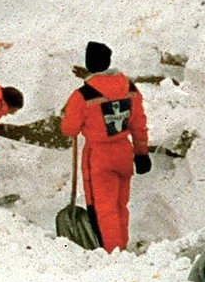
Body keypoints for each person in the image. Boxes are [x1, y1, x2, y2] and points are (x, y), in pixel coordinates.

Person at [59, 42, 149, 251]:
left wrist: (66, 116)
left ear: (89, 63)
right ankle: (121, 247)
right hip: (124, 152)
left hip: (99, 156)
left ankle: (112, 253)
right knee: (120, 205)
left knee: (104, 209)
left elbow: (70, 130)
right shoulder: (130, 88)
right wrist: (141, 153)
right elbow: (139, 123)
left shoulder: (82, 96)